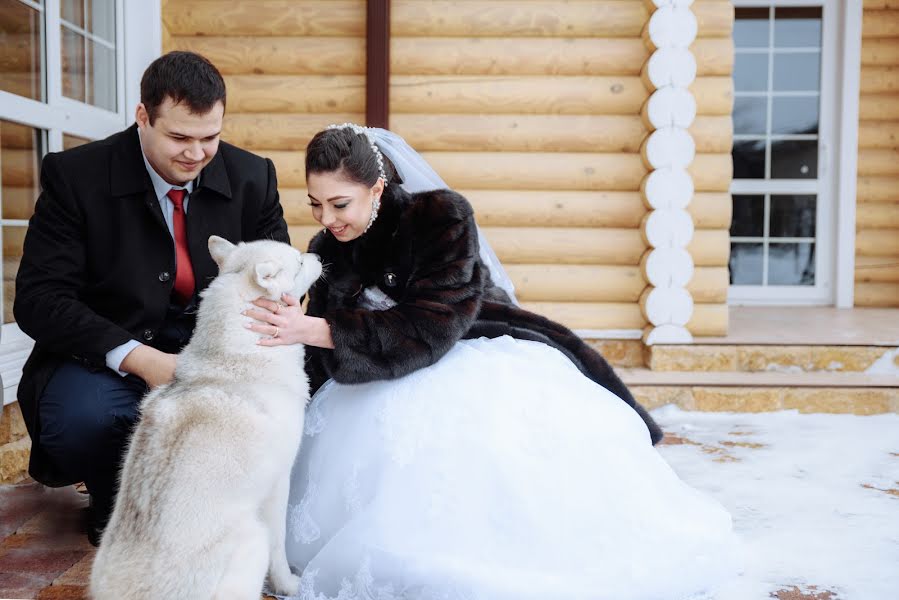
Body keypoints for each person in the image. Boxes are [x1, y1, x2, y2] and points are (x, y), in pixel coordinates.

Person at [245, 125, 737, 599]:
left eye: (339, 204)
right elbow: (320, 348)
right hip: (375, 362)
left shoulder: (441, 218)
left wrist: (322, 329)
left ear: (376, 189)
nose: (327, 219)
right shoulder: (328, 249)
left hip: (468, 345)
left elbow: (433, 324)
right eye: (315, 204)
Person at [13, 51, 290, 546]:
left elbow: (280, 274)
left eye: (211, 137)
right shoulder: (75, 177)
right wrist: (139, 358)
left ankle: (209, 507)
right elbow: (39, 297)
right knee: (84, 419)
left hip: (215, 346)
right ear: (143, 117)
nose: (197, 153)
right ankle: (116, 501)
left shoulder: (254, 176)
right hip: (107, 350)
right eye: (180, 137)